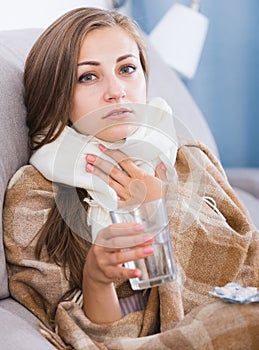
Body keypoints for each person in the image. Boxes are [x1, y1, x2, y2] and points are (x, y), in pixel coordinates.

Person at [3, 7, 259, 350]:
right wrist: (97, 279)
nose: (116, 91)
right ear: (56, 93)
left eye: (126, 69)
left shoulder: (186, 155)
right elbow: (93, 338)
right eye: (88, 77)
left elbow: (244, 261)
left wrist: (162, 206)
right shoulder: (35, 196)